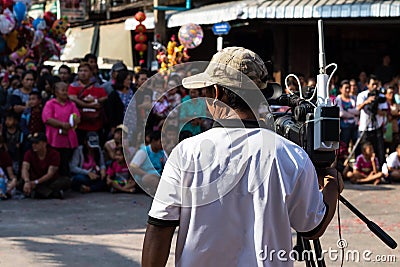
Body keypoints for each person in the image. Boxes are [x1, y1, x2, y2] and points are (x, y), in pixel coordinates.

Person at [142, 47, 343, 267]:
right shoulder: (291, 155)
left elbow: (160, 227)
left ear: (217, 93)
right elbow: (313, 227)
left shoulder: (187, 152)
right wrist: (331, 183)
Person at [42, 82, 80, 176]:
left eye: (66, 90)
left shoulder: (71, 104)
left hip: (68, 137)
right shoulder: (50, 104)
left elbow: (77, 117)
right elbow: (47, 119)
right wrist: (62, 125)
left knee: (65, 161)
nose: (65, 93)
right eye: (62, 90)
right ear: (56, 92)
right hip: (54, 137)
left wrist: (73, 122)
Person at [21, 132, 70, 199]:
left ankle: (42, 193)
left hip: (49, 180)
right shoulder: (29, 153)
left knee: (65, 181)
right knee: (20, 183)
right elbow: (25, 168)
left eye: (37, 143)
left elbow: (50, 174)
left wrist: (36, 182)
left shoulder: (54, 154)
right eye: (32, 143)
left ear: (44, 143)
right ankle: (53, 194)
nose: (34, 145)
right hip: (33, 180)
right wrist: (27, 181)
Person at [356, 74, 388, 168]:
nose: (375, 86)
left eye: (376, 84)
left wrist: (375, 108)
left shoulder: (381, 96)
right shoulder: (362, 95)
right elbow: (358, 108)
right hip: (364, 128)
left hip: (377, 127)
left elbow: (384, 112)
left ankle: (380, 170)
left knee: (379, 150)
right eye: (373, 84)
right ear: (367, 85)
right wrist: (367, 102)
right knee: (364, 150)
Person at [129, 130, 167, 196]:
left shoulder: (162, 152)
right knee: (148, 179)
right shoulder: (143, 152)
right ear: (153, 141)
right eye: (161, 142)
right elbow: (132, 168)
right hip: (145, 177)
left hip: (158, 176)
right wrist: (146, 174)